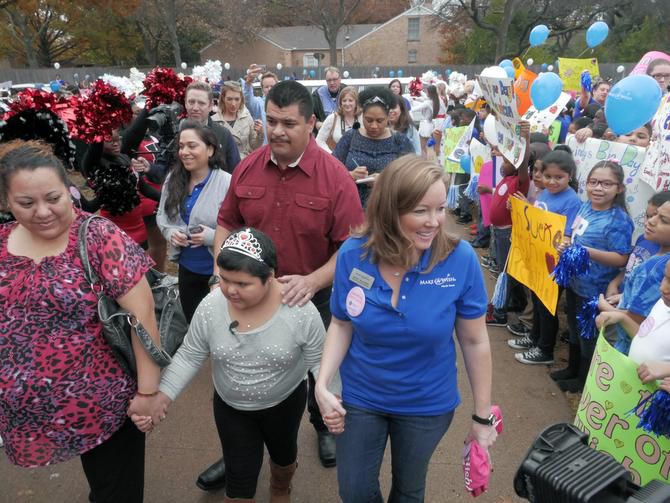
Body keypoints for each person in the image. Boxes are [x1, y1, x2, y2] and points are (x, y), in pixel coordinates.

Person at [204, 80, 364, 489]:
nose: (277, 131)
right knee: (240, 374)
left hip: (312, 296)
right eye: (271, 120)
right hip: (251, 299)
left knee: (316, 373)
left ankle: (321, 428)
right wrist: (223, 275)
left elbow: (351, 249)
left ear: (311, 123)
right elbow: (227, 221)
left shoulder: (335, 178)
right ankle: (240, 455)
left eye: (288, 123)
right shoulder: (249, 166)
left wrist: (311, 281)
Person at [315, 155, 497, 502]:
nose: (434, 222)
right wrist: (323, 384)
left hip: (426, 403)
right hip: (362, 396)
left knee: (409, 491)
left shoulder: (460, 261)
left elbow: (474, 342)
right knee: (354, 491)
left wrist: (482, 417)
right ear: (389, 209)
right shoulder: (354, 254)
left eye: (440, 208)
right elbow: (341, 323)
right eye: (419, 211)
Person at [0, 141, 162, 503]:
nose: (42, 212)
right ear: (7, 202)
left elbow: (143, 316)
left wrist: (148, 394)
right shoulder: (2, 243)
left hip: (104, 406)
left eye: (53, 198)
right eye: (26, 203)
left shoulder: (98, 237)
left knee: (115, 493)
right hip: (28, 411)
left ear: (70, 191)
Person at [132, 228, 336, 503]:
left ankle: (280, 487)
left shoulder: (300, 311)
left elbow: (320, 362)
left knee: (284, 455)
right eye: (225, 279)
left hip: (284, 404)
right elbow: (191, 354)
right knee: (239, 482)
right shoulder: (212, 305)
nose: (229, 290)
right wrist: (162, 396)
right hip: (232, 407)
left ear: (270, 276)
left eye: (242, 283)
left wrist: (330, 399)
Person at [554, 160, 634, 393]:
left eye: (606, 183)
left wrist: (587, 252)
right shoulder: (586, 206)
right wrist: (566, 244)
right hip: (575, 282)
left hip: (595, 291)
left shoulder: (618, 220)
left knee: (588, 336)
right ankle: (571, 369)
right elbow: (573, 234)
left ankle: (582, 381)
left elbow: (621, 258)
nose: (598, 188)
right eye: (594, 182)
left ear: (619, 188)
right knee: (574, 329)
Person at [509, 150, 582, 365]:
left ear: (570, 175)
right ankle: (534, 337)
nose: (552, 181)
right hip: (538, 260)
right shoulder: (544, 193)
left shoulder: (572, 201)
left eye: (558, 177)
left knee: (547, 305)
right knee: (537, 300)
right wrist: (526, 209)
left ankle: (545, 349)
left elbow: (568, 233)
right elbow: (540, 220)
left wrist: (565, 241)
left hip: (554, 264)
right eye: (548, 176)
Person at [156, 121, 231, 323]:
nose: (184, 152)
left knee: (218, 324)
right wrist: (171, 233)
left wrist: (213, 237)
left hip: (219, 271)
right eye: (181, 146)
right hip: (187, 268)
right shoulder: (174, 179)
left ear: (210, 149)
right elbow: (163, 216)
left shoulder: (227, 183)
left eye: (192, 146)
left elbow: (242, 231)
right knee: (193, 321)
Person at [598, 198, 670, 355]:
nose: (651, 221)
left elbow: (639, 321)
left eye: (663, 220)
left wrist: (607, 308)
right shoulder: (658, 257)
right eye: (654, 214)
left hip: (631, 350)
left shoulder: (657, 267)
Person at [333, 86, 415, 206]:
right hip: (352, 206)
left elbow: (413, 175)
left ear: (388, 118)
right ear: (362, 116)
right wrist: (349, 175)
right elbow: (331, 169)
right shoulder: (351, 137)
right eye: (369, 120)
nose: (374, 126)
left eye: (380, 121)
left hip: (388, 208)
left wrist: (386, 180)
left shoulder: (399, 140)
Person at [484, 121, 531, 328]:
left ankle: (500, 312)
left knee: (506, 271)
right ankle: (516, 302)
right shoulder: (505, 180)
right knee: (507, 268)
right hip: (499, 233)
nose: (502, 164)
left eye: (506, 161)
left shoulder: (519, 180)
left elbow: (523, 163)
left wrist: (525, 140)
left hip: (509, 233)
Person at [212, 81, 264, 159]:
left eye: (237, 99)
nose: (233, 103)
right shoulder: (214, 121)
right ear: (223, 98)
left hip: (245, 165)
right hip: (224, 167)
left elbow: (254, 146)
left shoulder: (246, 116)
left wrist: (260, 133)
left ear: (241, 99)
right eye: (229, 99)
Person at [316, 86, 361, 153]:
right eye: (344, 100)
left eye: (350, 100)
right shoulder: (333, 118)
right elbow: (319, 140)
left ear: (356, 102)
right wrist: (332, 155)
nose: (347, 103)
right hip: (337, 161)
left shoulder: (363, 117)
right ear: (340, 103)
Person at [242, 66, 279, 144]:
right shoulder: (259, 103)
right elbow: (248, 99)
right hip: (264, 150)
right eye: (266, 87)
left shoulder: (284, 105)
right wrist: (248, 83)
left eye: (272, 86)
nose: (269, 89)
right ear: (262, 89)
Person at [412, 84, 443, 159]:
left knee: (423, 147)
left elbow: (414, 109)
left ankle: (427, 162)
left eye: (426, 91)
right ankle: (434, 160)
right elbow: (424, 99)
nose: (425, 92)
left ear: (429, 92)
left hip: (425, 125)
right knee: (432, 147)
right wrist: (415, 98)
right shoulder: (437, 100)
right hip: (433, 125)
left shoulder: (428, 102)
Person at [312, 66, 346, 131]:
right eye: (329, 80)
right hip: (324, 133)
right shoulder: (318, 94)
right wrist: (316, 123)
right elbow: (310, 113)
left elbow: (356, 111)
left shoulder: (347, 92)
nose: (332, 83)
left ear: (340, 79)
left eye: (334, 79)